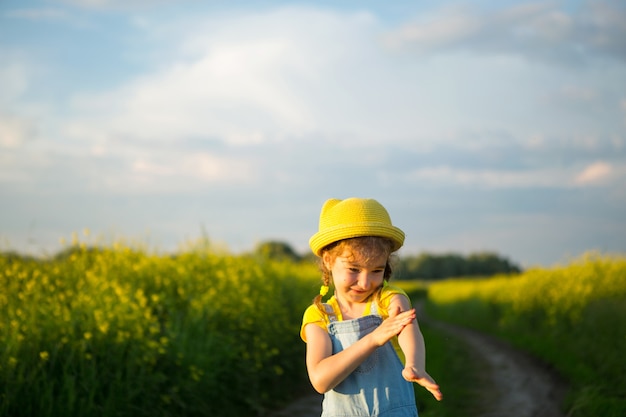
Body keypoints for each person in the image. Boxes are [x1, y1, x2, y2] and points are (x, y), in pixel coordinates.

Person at [301, 197, 442, 417]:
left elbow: (407, 328)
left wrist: (415, 364)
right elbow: (320, 380)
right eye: (354, 270)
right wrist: (373, 339)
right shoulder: (319, 315)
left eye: (376, 270)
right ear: (328, 260)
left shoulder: (388, 298)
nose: (366, 283)